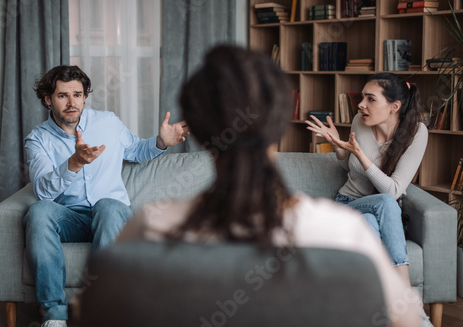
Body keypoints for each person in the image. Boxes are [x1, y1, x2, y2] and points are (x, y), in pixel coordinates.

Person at [116, 46, 421, 326]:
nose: (362, 105)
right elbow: (406, 320)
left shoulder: (149, 227)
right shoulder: (345, 232)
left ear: (196, 128)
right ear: (279, 125)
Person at [23, 65, 189, 327]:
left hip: (112, 215)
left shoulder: (107, 122)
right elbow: (42, 191)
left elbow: (135, 151)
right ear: (48, 99)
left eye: (77, 94)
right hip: (72, 220)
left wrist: (160, 142)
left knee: (107, 206)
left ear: (84, 96)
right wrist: (74, 163)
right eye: (62, 95)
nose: (71, 102)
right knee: (38, 211)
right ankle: (55, 317)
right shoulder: (38, 140)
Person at [306, 73, 430, 325]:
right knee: (383, 203)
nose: (361, 104)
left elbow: (393, 190)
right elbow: (348, 167)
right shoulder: (359, 121)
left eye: (370, 99)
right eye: (362, 97)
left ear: (394, 107)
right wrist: (339, 147)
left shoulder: (417, 133)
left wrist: (361, 156)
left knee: (375, 217)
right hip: (347, 205)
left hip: (381, 214)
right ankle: (406, 296)